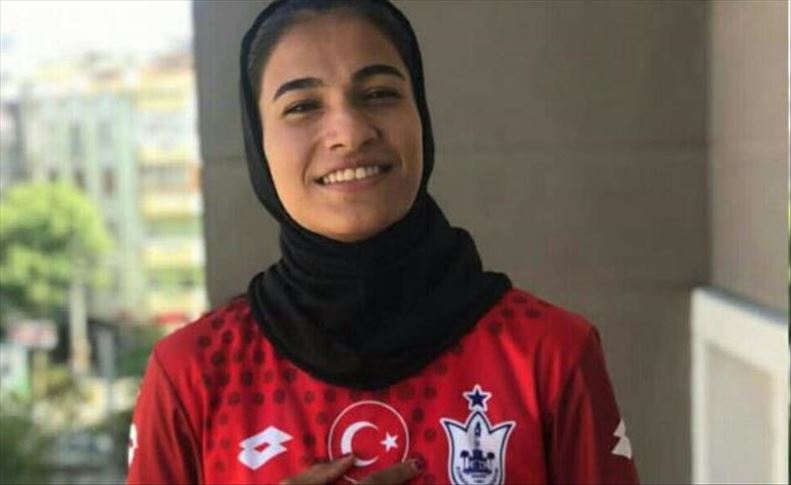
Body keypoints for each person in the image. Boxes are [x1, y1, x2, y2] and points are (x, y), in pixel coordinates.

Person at [127, 1, 640, 484]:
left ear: (422, 116)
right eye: (302, 106)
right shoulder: (192, 375)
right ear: (257, 143)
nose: (350, 133)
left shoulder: (549, 354)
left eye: (378, 94)